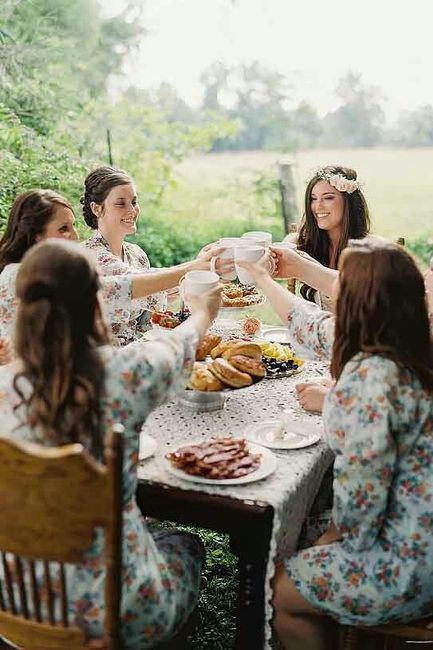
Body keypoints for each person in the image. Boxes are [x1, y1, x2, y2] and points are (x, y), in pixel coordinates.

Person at [0, 239, 223, 647]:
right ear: (95, 301)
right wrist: (204, 310)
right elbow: (178, 345)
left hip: (16, 599)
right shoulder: (124, 374)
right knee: (184, 544)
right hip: (115, 612)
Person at [239, 241, 433, 649]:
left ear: (357, 306)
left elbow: (358, 516)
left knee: (279, 590)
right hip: (420, 534)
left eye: (342, 285)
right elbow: (309, 322)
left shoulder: (367, 382)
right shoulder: (412, 348)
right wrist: (260, 277)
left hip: (410, 568)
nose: (332, 291)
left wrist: (317, 545)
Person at [0, 189, 227, 349]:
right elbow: (114, 289)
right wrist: (194, 269)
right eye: (63, 229)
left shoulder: (47, 273)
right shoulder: (18, 277)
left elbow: (142, 291)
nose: (76, 236)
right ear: (36, 236)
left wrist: (195, 270)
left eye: (73, 226)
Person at [81, 165, 230, 343]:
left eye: (134, 202)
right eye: (121, 203)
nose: (132, 210)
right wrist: (197, 267)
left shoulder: (137, 254)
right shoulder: (87, 256)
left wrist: (199, 266)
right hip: (103, 362)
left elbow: (153, 297)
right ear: (97, 208)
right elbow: (130, 282)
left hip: (139, 352)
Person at [283, 165, 384, 307]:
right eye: (313, 199)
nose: (317, 207)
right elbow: (284, 247)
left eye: (328, 198)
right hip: (316, 329)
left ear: (348, 202)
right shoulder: (304, 242)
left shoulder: (372, 249)